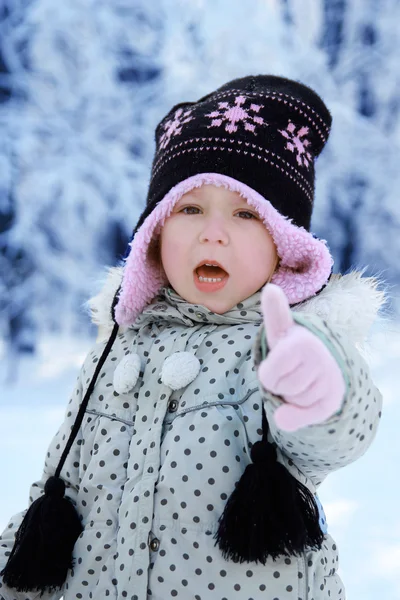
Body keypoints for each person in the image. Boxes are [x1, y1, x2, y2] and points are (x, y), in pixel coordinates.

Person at [0, 75, 386, 600]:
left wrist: (321, 384)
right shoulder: (115, 351)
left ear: (286, 246)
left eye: (246, 213)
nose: (213, 233)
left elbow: (337, 436)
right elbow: (54, 496)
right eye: (189, 208)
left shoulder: (284, 347)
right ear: (155, 234)